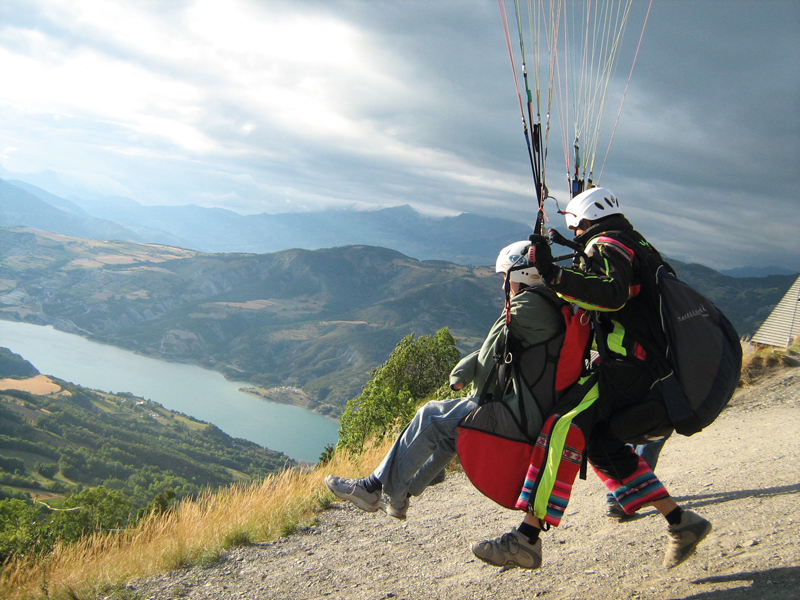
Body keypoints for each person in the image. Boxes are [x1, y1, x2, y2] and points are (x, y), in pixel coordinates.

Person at [483, 186, 711, 569]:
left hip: (632, 369)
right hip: (649, 368)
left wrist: (554, 276)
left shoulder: (607, 244)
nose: (574, 237)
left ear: (584, 221)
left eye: (575, 230)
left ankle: (526, 538)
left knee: (561, 426)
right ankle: (681, 521)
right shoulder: (634, 242)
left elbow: (611, 294)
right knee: (601, 444)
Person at [325, 240, 565, 521]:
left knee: (432, 416)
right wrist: (465, 370)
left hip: (516, 414)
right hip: (527, 408)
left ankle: (372, 488)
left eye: (504, 278)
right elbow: (497, 348)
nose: (502, 285)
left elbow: (492, 354)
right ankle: (399, 498)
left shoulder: (528, 307)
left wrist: (470, 383)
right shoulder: (541, 302)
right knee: (450, 433)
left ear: (521, 275)